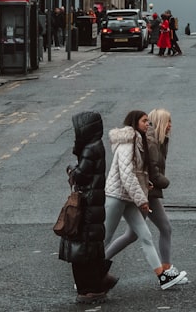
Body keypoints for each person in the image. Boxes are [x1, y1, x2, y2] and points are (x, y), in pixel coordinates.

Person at [103, 111, 188, 290]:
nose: (147, 124)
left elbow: (139, 171)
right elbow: (127, 175)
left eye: (148, 121)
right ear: (134, 122)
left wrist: (145, 185)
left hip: (130, 197)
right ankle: (86, 274)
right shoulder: (128, 143)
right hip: (118, 196)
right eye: (144, 121)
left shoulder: (139, 141)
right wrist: (142, 199)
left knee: (145, 236)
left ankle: (163, 277)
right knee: (105, 238)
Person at [58, 111, 110, 304]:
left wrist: (72, 170)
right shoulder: (95, 145)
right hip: (93, 205)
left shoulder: (90, 148)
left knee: (81, 249)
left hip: (87, 207)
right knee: (90, 248)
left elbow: (81, 176)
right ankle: (97, 284)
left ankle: (89, 289)